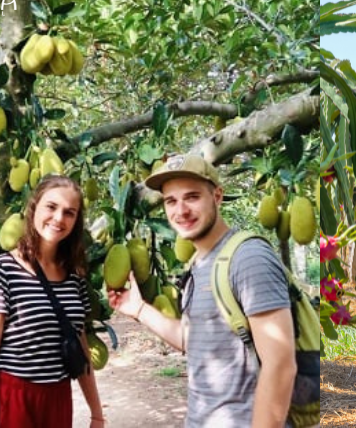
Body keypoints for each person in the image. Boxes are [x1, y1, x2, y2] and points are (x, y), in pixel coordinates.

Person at [107, 154, 298, 427]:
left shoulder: (248, 258)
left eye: (192, 197)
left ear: (217, 196)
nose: (180, 210)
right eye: (171, 201)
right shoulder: (199, 262)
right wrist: (139, 309)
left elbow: (280, 366)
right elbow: (197, 340)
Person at [0, 175, 105, 428]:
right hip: (14, 397)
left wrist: (96, 413)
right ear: (34, 207)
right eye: (51, 207)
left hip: (58, 398)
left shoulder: (74, 276)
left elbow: (81, 347)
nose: (59, 218)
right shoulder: (2, 270)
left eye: (69, 212)